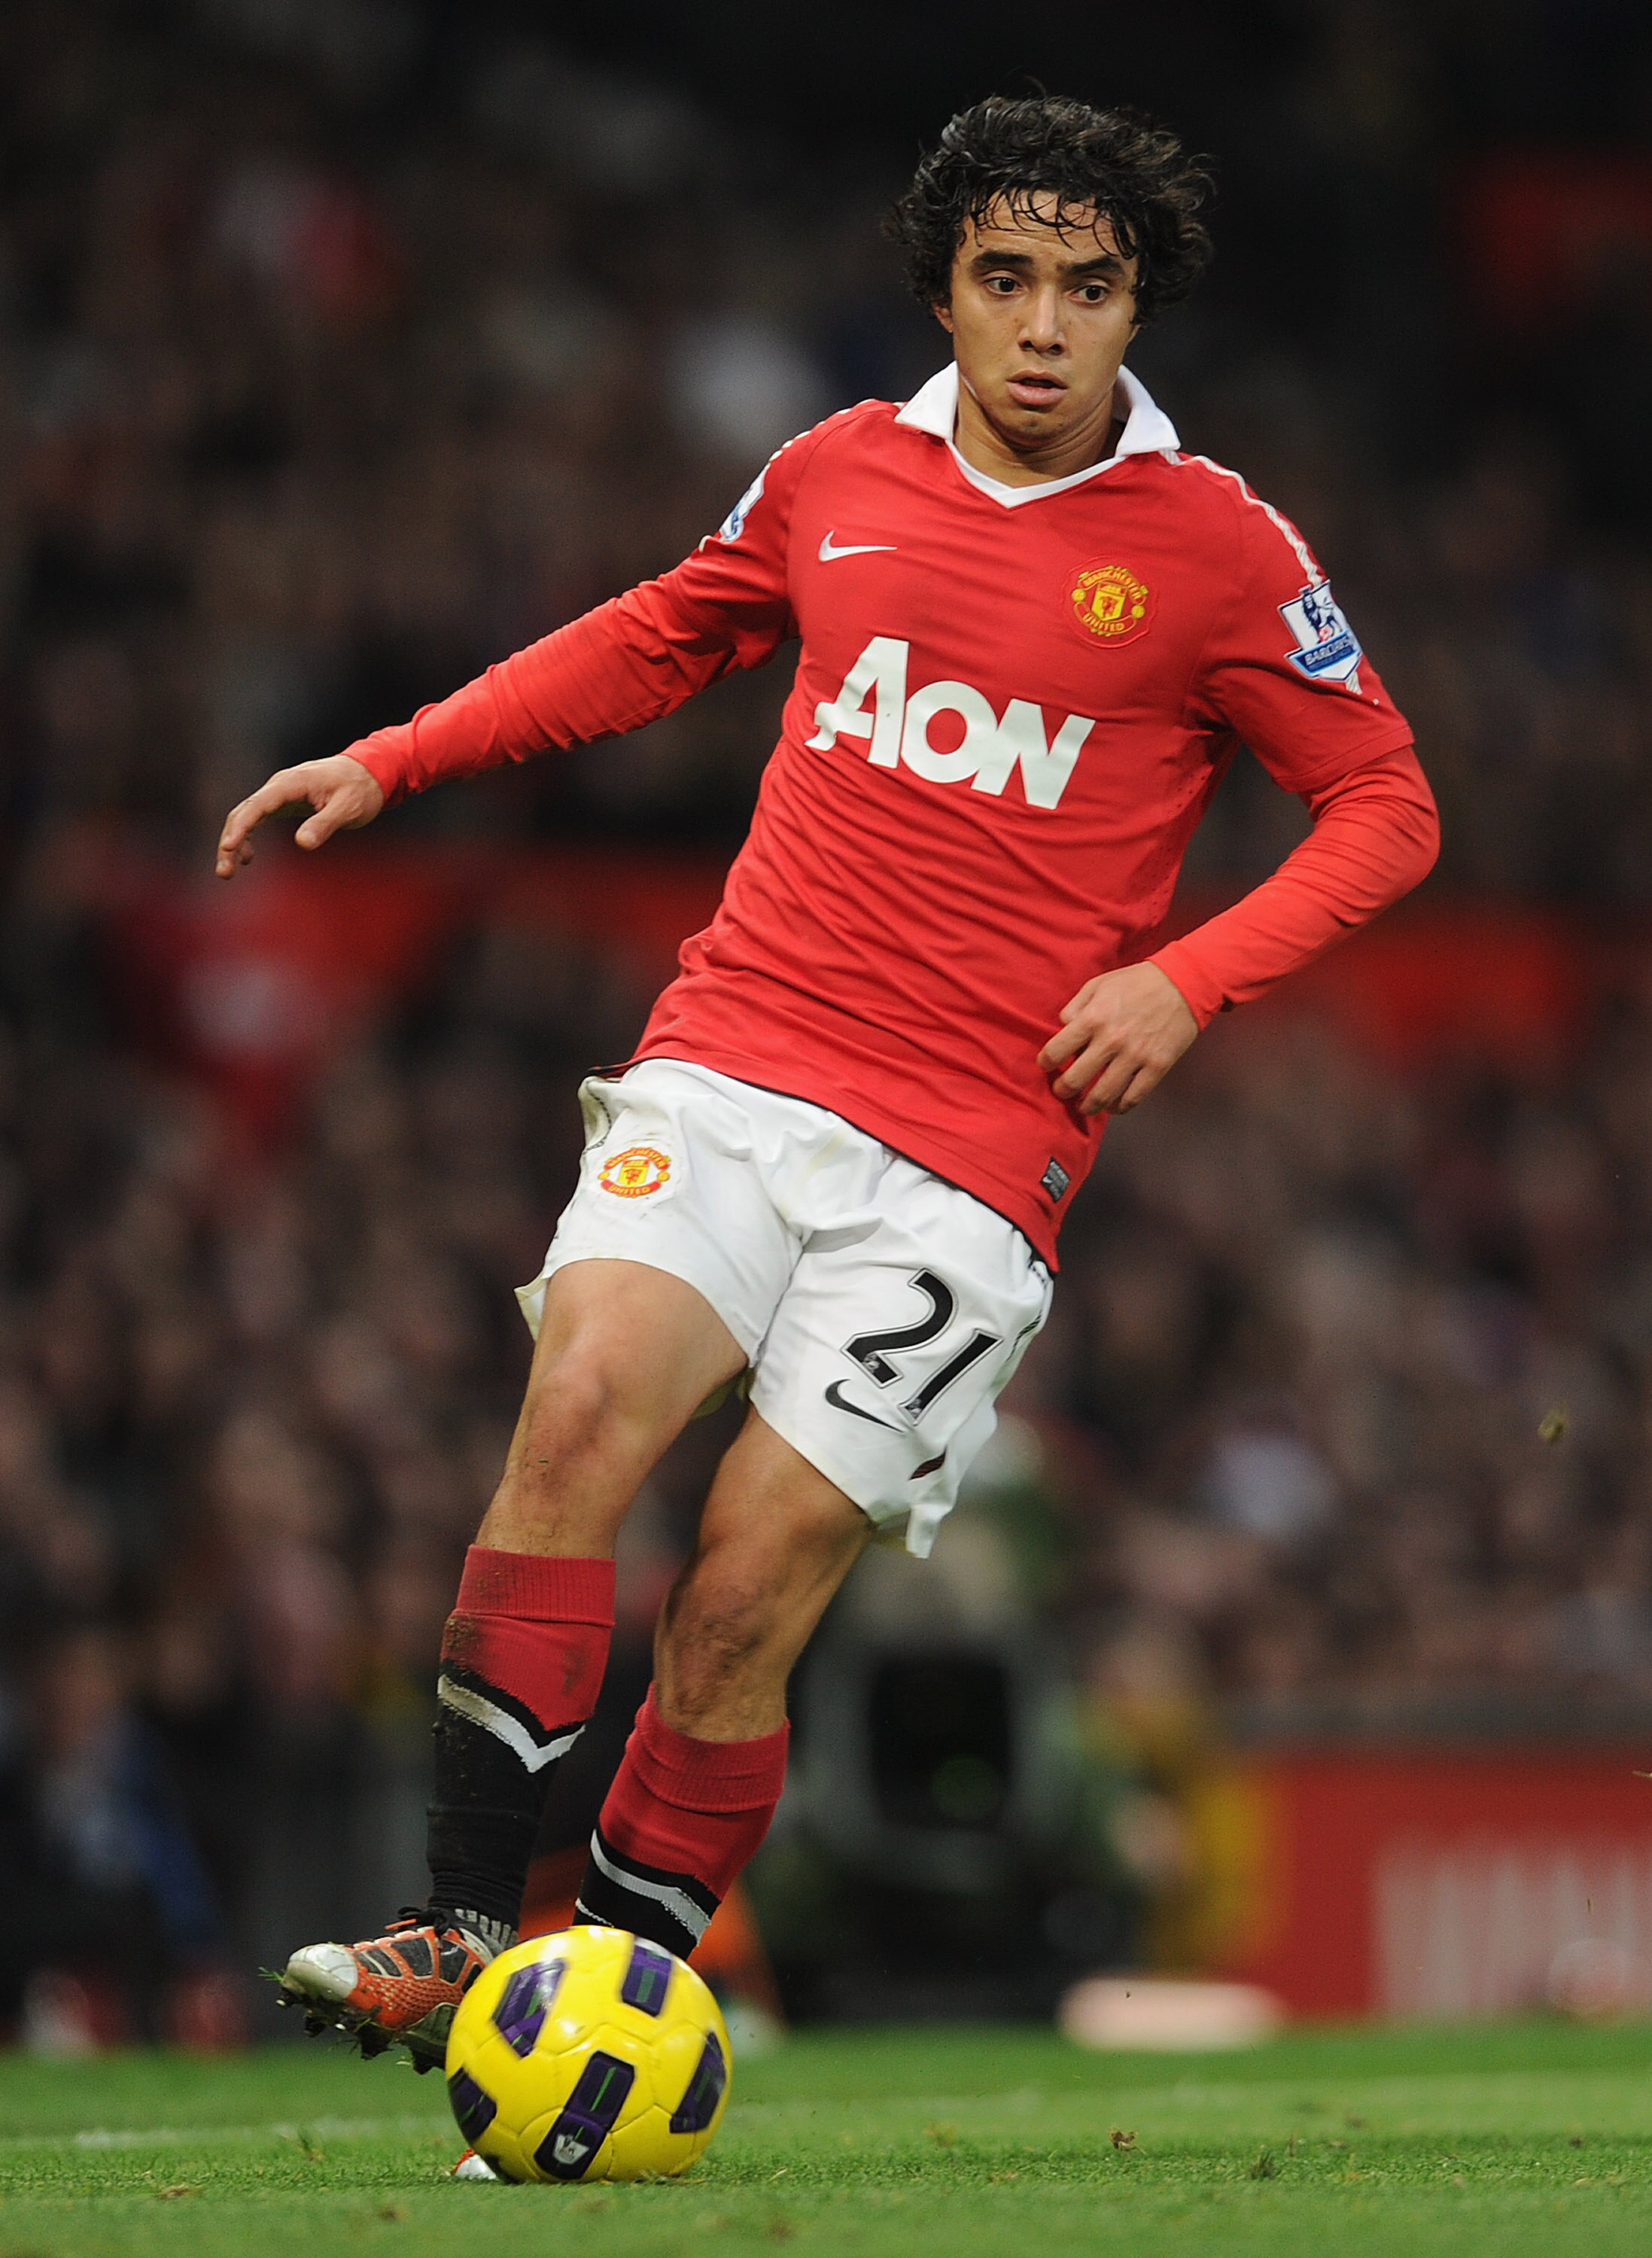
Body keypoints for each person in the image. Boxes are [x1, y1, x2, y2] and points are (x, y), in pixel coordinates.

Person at [214, 94, 1438, 2066]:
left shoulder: (1217, 550)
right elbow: (660, 635)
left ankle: (613, 2000)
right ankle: (453, 1933)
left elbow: (1383, 807)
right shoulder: (831, 474)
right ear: (946, 294)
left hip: (970, 1162)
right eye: (1005, 279)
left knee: (743, 1592)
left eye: (1088, 287)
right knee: (584, 1404)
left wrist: (1188, 984)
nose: (1043, 325)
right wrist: (402, 754)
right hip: (740, 1061)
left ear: (1139, 310)